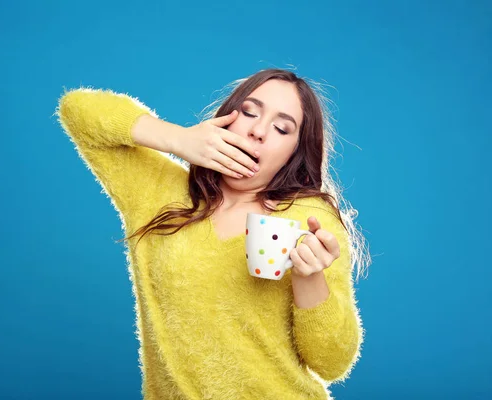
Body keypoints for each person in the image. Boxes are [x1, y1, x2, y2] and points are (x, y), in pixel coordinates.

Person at [56, 68, 371, 400]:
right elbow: (77, 109)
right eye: (249, 112)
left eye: (282, 128)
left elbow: (332, 363)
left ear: (295, 152)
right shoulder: (159, 193)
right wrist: (178, 138)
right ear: (226, 120)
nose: (258, 130)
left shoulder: (309, 218)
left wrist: (309, 277)